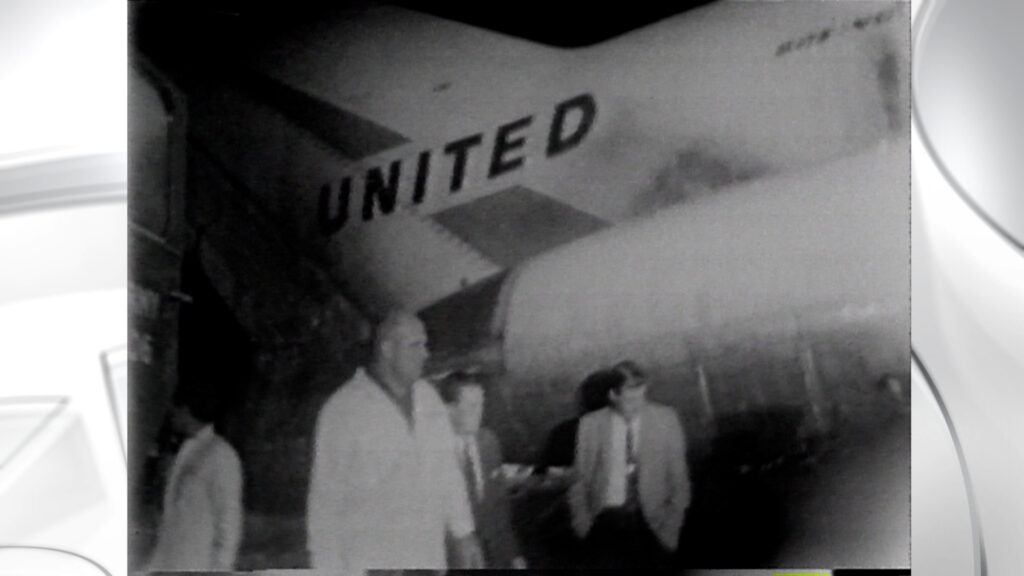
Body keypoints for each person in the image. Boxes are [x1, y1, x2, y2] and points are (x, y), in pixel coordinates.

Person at [306, 310, 484, 572]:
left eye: (425, 345)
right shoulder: (344, 410)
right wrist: (327, 568)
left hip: (426, 561)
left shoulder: (430, 400)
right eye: (415, 345)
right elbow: (325, 501)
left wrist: (464, 533)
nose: (425, 354)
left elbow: (448, 473)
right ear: (388, 349)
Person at [567, 360, 690, 568]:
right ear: (613, 395)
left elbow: (679, 481)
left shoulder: (666, 419)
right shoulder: (590, 425)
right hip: (606, 523)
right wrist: (584, 526)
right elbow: (579, 481)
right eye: (631, 398)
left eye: (642, 395)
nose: (638, 405)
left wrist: (672, 527)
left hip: (654, 524)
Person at [439, 371, 528, 569]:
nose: (480, 412)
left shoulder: (488, 441)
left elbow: (499, 507)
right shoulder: (433, 451)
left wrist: (513, 555)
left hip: (494, 557)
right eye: (472, 406)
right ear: (448, 409)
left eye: (481, 405)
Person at [148, 397, 244, 571]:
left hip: (198, 563)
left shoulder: (220, 453)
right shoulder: (180, 450)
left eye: (175, 410)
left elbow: (229, 517)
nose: (171, 416)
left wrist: (221, 567)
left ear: (186, 410)